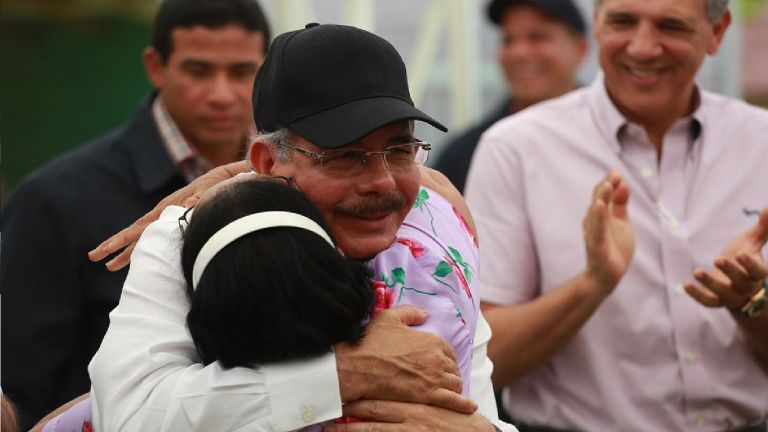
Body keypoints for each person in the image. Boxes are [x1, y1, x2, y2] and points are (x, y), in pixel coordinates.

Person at [88, 23, 516, 431]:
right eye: (346, 155)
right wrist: (345, 374)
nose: (382, 183)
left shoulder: (437, 236)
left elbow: (479, 405)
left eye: (399, 150)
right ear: (268, 163)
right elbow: (129, 417)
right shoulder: (200, 238)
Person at [466, 0, 768, 430]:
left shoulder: (760, 143)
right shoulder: (515, 149)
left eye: (671, 27)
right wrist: (592, 285)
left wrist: (752, 304)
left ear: (718, 32)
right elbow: (480, 360)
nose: (643, 47)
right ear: (597, 25)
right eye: (623, 21)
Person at [0, 0, 270, 429]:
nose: (221, 93)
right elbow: (18, 388)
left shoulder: (299, 181)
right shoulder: (53, 201)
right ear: (155, 67)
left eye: (241, 72)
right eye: (198, 71)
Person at [433, 0, 588, 193]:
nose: (519, 53)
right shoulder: (465, 155)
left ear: (580, 49)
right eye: (508, 40)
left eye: (537, 37)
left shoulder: (618, 135)